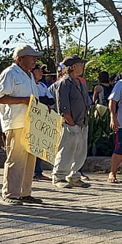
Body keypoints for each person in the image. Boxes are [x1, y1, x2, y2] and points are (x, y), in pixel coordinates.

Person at [0, 44, 42, 205]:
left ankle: (24, 193)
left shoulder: (29, 75)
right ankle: (10, 194)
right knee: (16, 159)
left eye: (35, 57)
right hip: (16, 122)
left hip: (31, 122)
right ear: (20, 59)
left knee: (29, 160)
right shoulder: (10, 73)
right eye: (31, 57)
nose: (34, 60)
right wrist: (23, 100)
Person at [51, 56, 91, 189]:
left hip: (82, 122)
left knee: (80, 152)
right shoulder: (64, 83)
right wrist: (70, 123)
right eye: (80, 64)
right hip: (70, 123)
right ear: (73, 66)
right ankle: (59, 177)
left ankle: (74, 176)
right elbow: (63, 106)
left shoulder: (81, 83)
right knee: (66, 151)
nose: (82, 67)